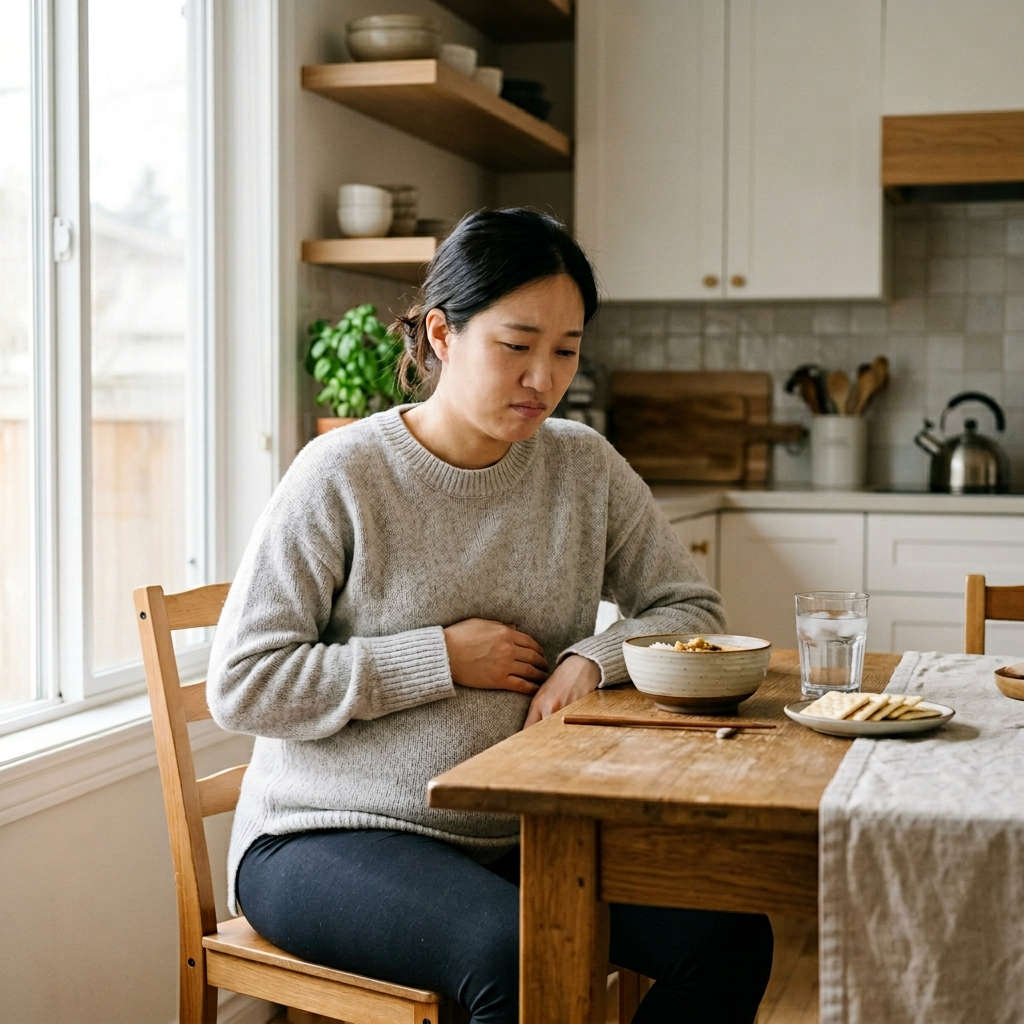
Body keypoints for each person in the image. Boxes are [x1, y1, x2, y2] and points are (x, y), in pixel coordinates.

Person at [208, 209, 773, 1024]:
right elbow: (242, 683)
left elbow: (691, 610)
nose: (543, 378)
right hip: (324, 835)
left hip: (525, 831)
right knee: (514, 954)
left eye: (566, 351)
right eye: (516, 346)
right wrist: (437, 657)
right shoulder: (342, 474)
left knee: (728, 936)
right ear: (442, 334)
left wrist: (592, 660)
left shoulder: (583, 465)